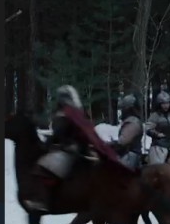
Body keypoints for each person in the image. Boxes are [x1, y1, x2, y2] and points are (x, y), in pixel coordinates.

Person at [23, 85, 135, 214]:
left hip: (70, 150)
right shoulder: (75, 113)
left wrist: (48, 143)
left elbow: (60, 133)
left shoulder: (65, 113)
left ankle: (41, 200)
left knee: (42, 166)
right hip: (77, 148)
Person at [108, 94, 144, 170]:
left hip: (129, 157)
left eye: (123, 109)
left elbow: (123, 141)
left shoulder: (133, 122)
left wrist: (109, 144)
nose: (122, 111)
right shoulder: (132, 121)